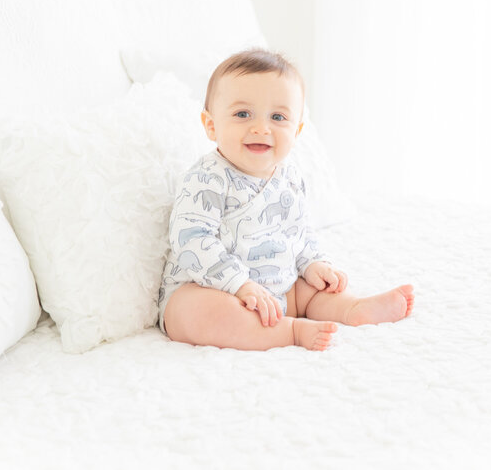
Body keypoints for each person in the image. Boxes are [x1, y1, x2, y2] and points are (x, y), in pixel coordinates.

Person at [158, 49, 414, 351]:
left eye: (278, 117)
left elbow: (300, 232)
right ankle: (289, 331)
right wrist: (239, 285)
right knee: (196, 311)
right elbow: (191, 239)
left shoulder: (289, 176)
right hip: (213, 288)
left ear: (297, 130)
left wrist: (314, 263)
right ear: (211, 125)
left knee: (311, 288)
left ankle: (351, 308)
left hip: (279, 290)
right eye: (243, 114)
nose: (261, 128)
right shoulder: (207, 178)